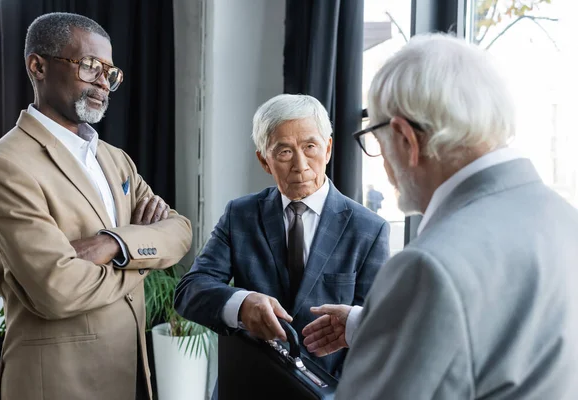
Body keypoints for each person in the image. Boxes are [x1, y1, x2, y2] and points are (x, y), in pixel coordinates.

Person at [302, 33, 578, 399]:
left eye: (375, 138)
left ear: (404, 138)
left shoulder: (429, 267)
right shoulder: (564, 220)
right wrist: (365, 324)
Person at [0, 13, 192, 400]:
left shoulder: (115, 159)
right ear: (38, 66)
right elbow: (57, 289)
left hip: (129, 374)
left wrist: (115, 244)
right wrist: (144, 255)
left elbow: (180, 232)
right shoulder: (4, 165)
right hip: (58, 384)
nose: (103, 83)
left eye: (110, 72)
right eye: (90, 66)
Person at [174, 94, 390, 377]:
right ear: (264, 161)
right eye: (285, 152)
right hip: (250, 385)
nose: (300, 165)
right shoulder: (241, 215)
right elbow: (189, 291)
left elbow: (379, 330)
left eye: (310, 147)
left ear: (327, 149)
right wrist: (242, 305)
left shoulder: (369, 229)